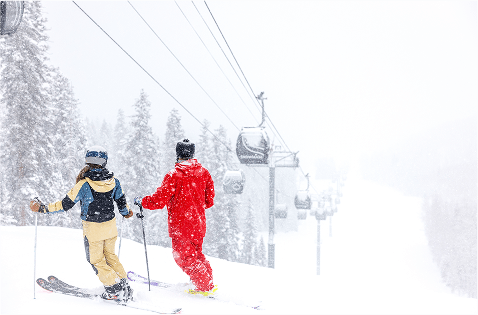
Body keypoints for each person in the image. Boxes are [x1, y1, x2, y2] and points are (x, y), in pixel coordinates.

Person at [29, 146, 134, 302]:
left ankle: (113, 289)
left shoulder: (84, 184)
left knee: (96, 260)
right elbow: (122, 204)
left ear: (87, 161)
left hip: (93, 229)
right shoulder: (114, 181)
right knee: (111, 257)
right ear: (104, 162)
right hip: (111, 227)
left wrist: (43, 208)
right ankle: (124, 286)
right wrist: (127, 213)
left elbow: (64, 205)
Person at [134, 139, 216, 295]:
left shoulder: (174, 175)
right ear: (192, 153)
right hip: (198, 225)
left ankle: (204, 287)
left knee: (184, 258)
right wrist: (194, 207)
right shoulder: (203, 173)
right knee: (196, 255)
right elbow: (209, 200)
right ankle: (205, 282)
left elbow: (158, 201)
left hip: (181, 226)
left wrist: (142, 201)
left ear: (178, 154)